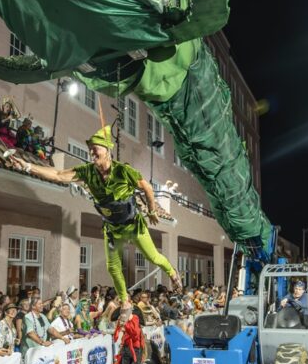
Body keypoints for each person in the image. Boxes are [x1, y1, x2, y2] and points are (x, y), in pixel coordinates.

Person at [9, 125, 182, 302]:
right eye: (90, 150)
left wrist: (152, 210)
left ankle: (172, 272)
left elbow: (147, 187)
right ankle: (125, 301)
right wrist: (29, 166)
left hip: (133, 224)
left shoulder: (123, 171)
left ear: (107, 150)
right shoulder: (88, 172)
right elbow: (59, 174)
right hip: (113, 229)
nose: (91, 153)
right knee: (113, 267)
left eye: (95, 149)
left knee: (152, 256)